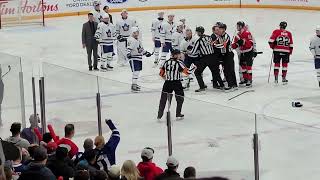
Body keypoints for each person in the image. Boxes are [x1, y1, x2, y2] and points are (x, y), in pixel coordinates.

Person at [157, 49, 194, 121]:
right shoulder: (179, 62)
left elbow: (161, 73)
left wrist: (166, 78)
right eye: (179, 54)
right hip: (176, 83)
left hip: (167, 83)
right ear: (176, 55)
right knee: (180, 98)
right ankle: (178, 114)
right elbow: (188, 72)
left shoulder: (166, 62)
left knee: (164, 99)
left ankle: (159, 115)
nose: (180, 55)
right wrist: (194, 68)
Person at [190, 26, 222, 92]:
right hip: (213, 57)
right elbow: (213, 45)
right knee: (215, 72)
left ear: (198, 32)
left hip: (205, 58)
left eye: (197, 32)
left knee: (197, 72)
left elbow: (193, 52)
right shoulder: (209, 37)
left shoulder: (199, 40)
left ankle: (202, 87)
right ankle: (221, 85)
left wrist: (187, 52)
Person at [127, 27, 152, 92]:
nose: (136, 34)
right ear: (131, 33)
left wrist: (146, 53)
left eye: (137, 32)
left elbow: (140, 49)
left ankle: (134, 84)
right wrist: (128, 54)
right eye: (134, 33)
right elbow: (128, 48)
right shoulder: (131, 40)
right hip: (134, 58)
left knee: (137, 72)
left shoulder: (138, 40)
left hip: (138, 58)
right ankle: (133, 85)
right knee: (136, 72)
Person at [232, 21, 255, 87]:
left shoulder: (247, 33)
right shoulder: (237, 35)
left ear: (241, 26)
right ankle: (245, 79)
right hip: (242, 52)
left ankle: (249, 80)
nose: (237, 27)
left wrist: (244, 42)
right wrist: (231, 46)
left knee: (249, 67)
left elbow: (251, 43)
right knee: (243, 67)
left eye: (238, 26)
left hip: (248, 52)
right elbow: (235, 45)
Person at [215, 23, 238, 91]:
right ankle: (232, 84)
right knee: (226, 70)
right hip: (224, 55)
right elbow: (215, 43)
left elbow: (223, 45)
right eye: (218, 28)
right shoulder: (219, 36)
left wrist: (215, 45)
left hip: (229, 54)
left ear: (224, 29)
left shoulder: (226, 36)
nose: (219, 30)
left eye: (220, 29)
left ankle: (232, 85)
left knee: (230, 70)